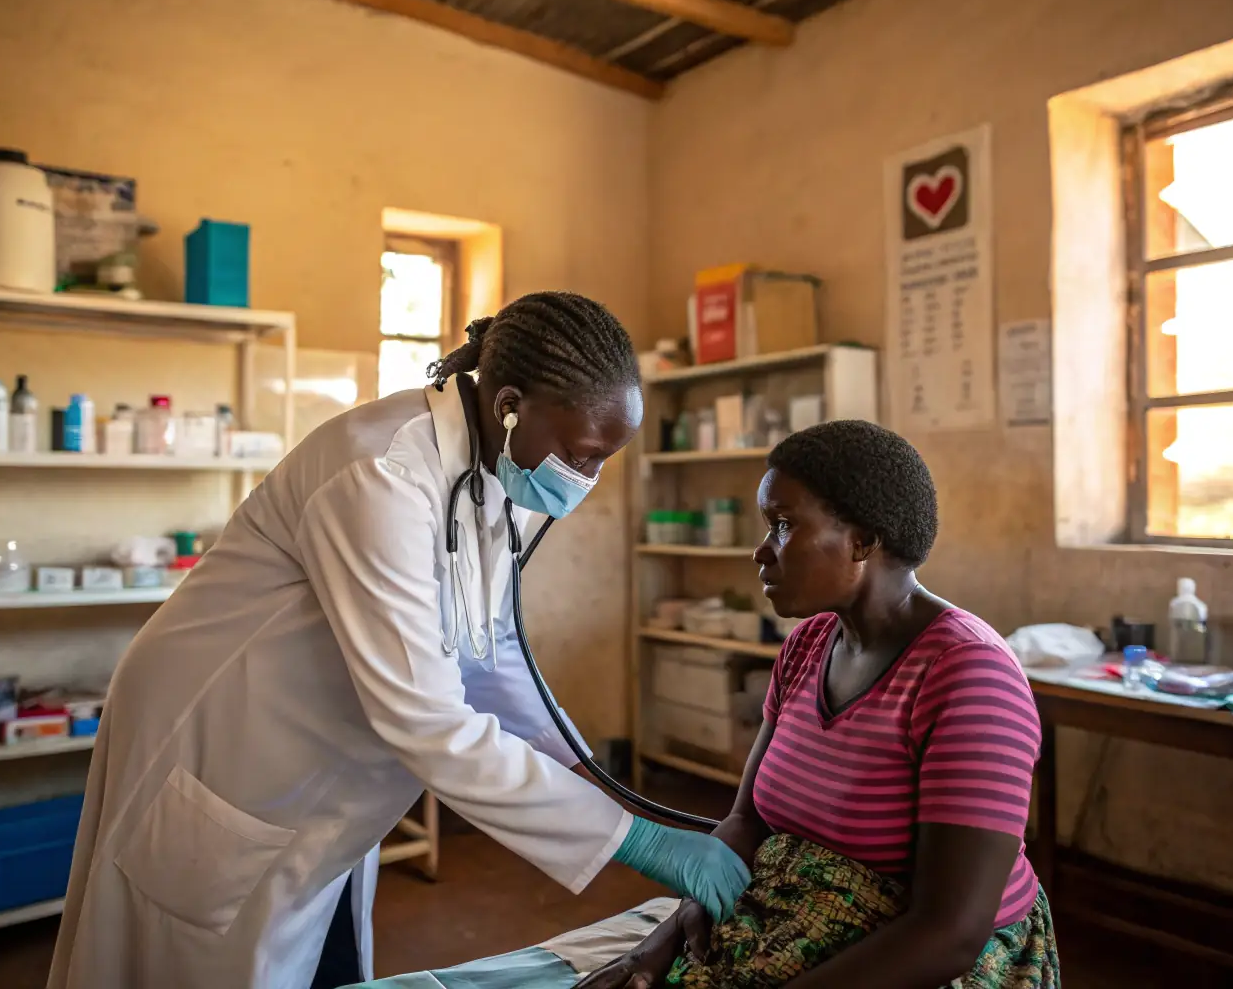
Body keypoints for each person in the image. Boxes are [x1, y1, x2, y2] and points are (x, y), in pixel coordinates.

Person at [47, 292, 749, 989]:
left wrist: (581, 767)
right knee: (191, 949)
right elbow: (430, 717)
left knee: (301, 940)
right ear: (509, 405)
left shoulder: (499, 473)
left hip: (318, 750)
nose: (586, 478)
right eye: (579, 453)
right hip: (224, 737)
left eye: (602, 460)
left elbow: (491, 645)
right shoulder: (378, 474)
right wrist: (638, 840)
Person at [581, 421, 1058, 989]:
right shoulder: (808, 645)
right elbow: (746, 820)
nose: (761, 552)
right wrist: (661, 940)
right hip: (801, 916)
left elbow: (949, 932)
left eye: (784, 526)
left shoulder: (968, 674)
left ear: (863, 540)